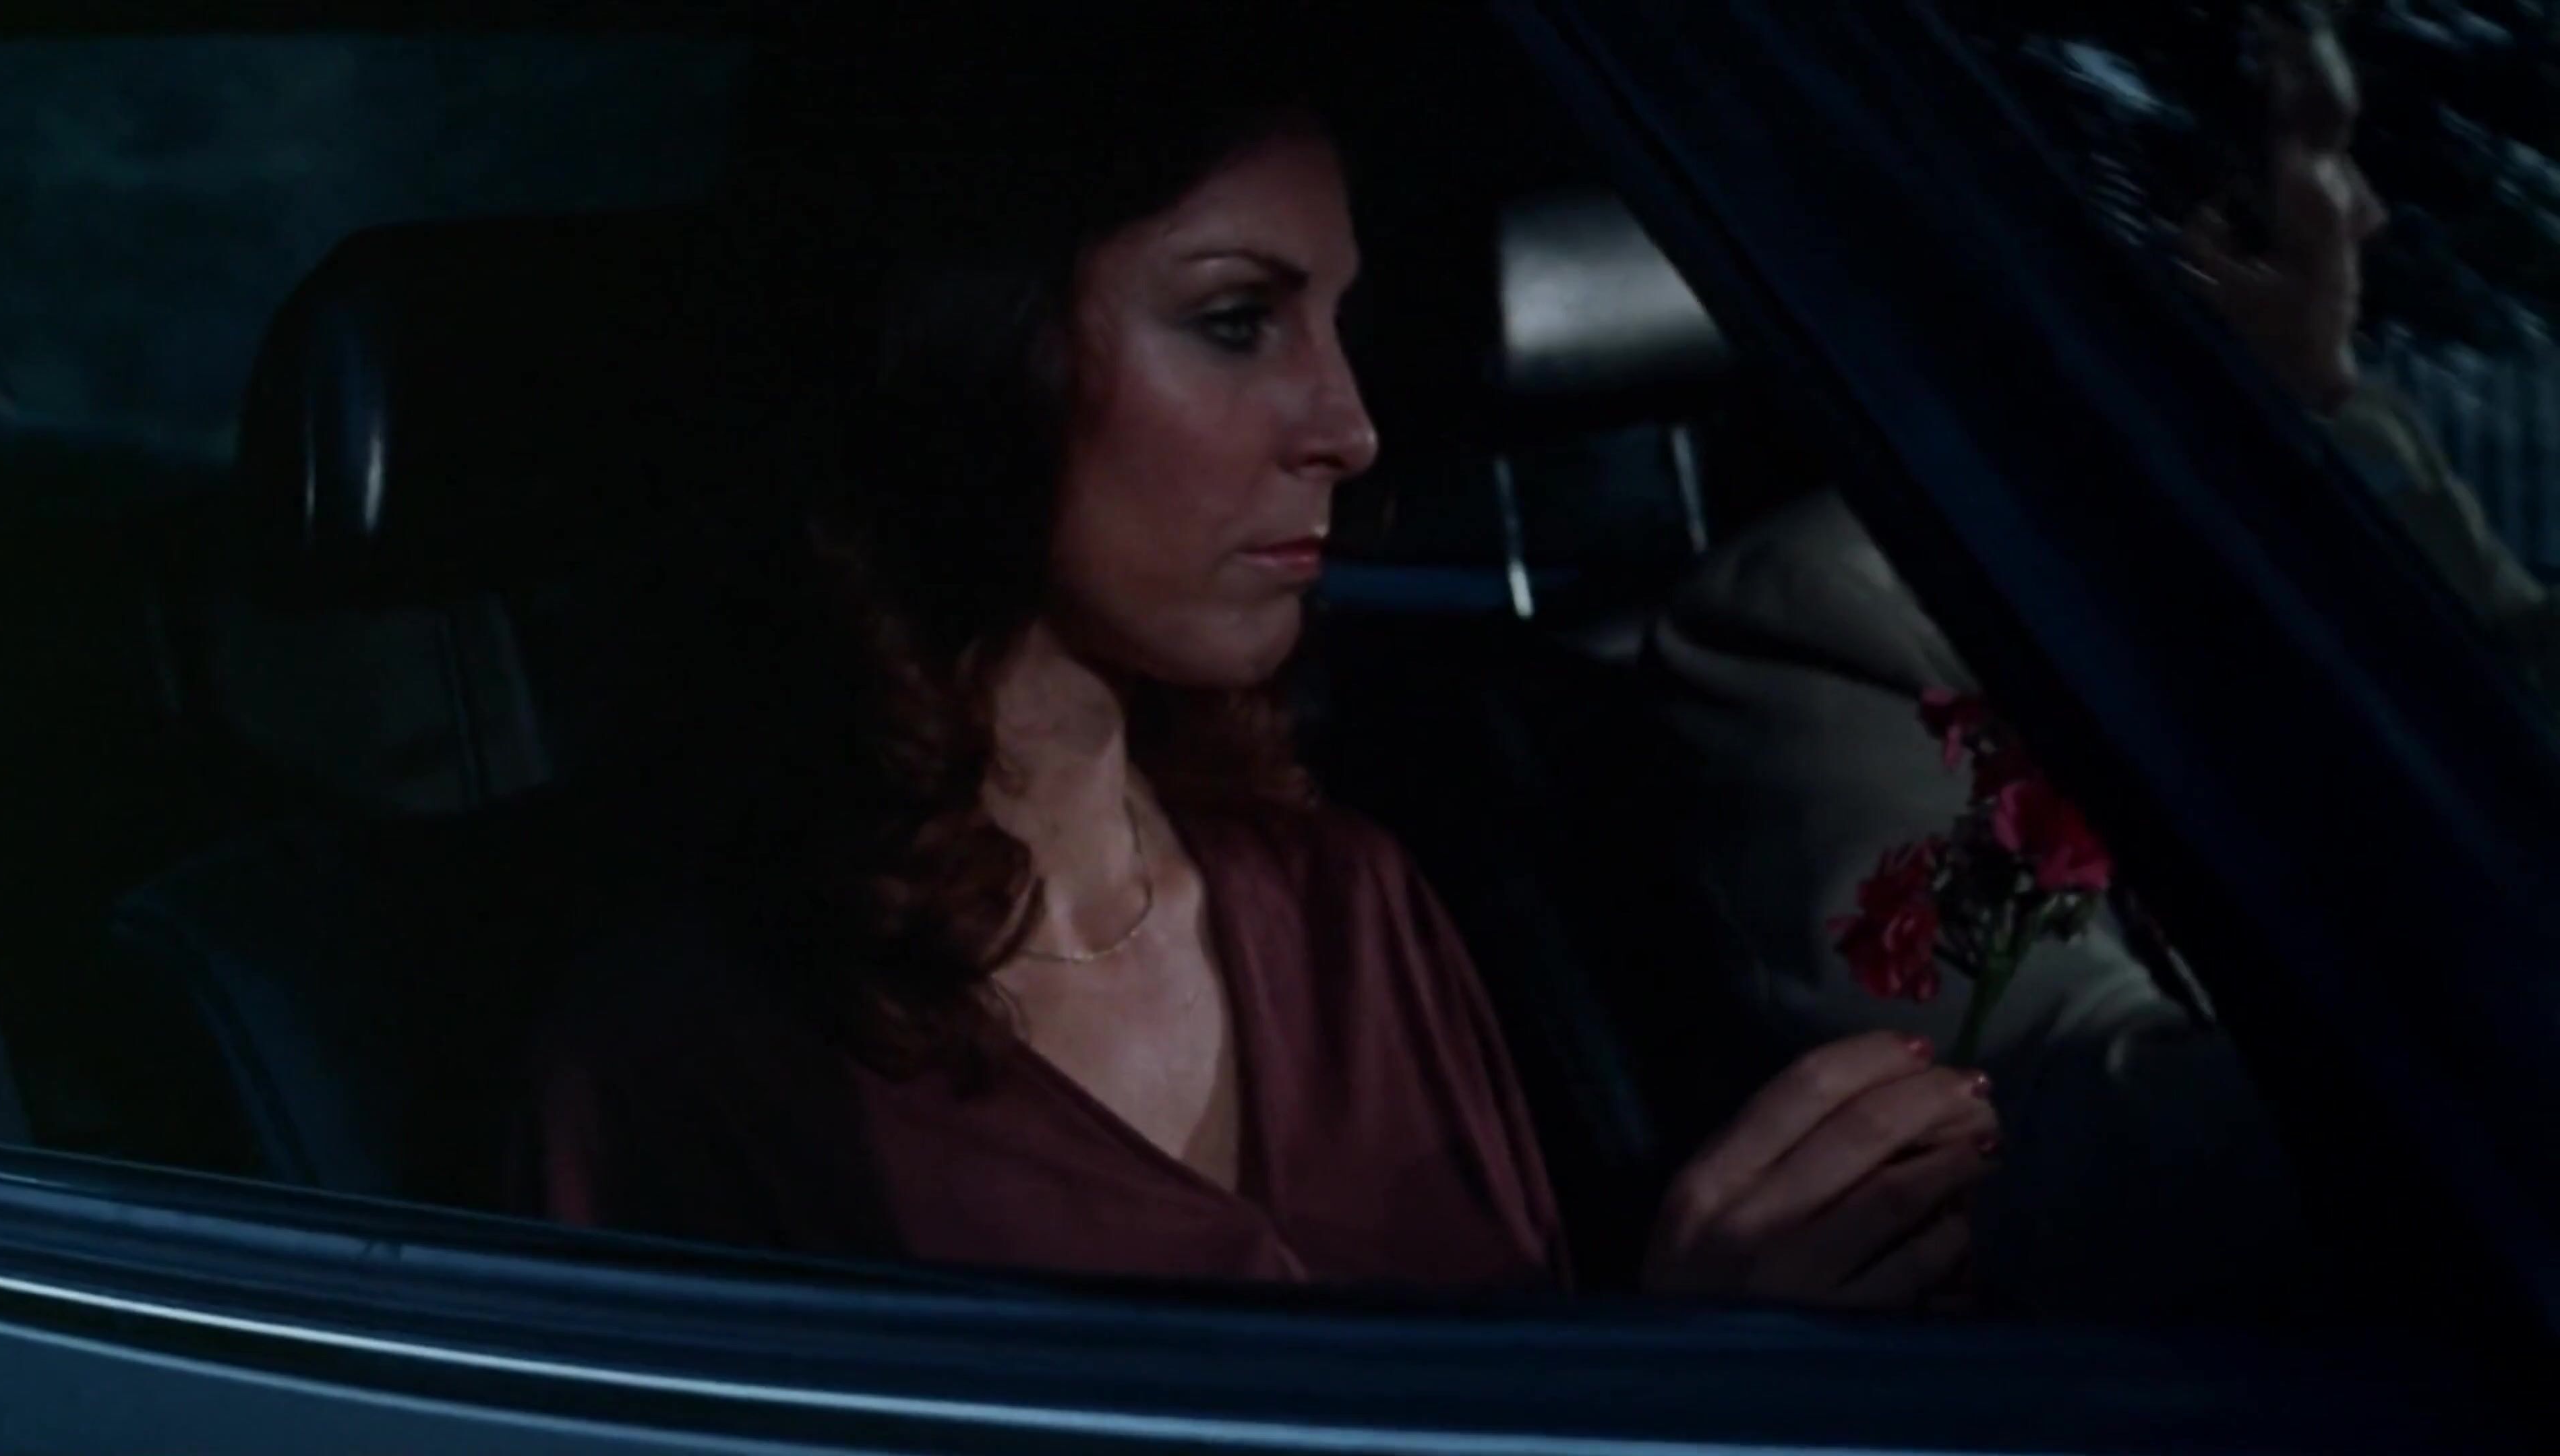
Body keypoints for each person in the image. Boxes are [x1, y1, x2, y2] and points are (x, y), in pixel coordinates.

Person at [508, 5, 1998, 1302]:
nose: (1348, 429)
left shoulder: (1348, 907)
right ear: (971, 346)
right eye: (1236, 323)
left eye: (1340, 326)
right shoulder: (690, 1052)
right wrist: (1671, 1380)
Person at [1648, 0, 2540, 1317]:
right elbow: (2025, 1117)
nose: (2363, 218)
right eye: (2325, 160)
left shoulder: (2356, 475)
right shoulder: (1838, 611)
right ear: (2207, 231)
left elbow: (2516, 689)